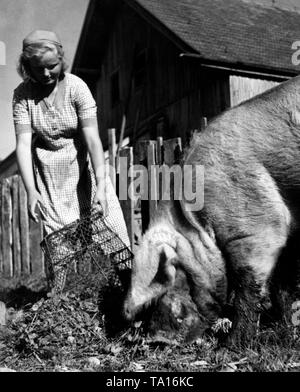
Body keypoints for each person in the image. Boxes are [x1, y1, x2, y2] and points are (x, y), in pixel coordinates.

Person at [13, 30, 131, 252]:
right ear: (27, 67)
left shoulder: (77, 88)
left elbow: (93, 139)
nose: (47, 73)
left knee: (111, 225)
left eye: (52, 66)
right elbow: (22, 144)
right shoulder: (22, 96)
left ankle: (126, 281)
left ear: (61, 59)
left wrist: (102, 184)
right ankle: (62, 287)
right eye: (39, 69)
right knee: (61, 243)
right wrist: (31, 189)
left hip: (83, 167)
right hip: (51, 178)